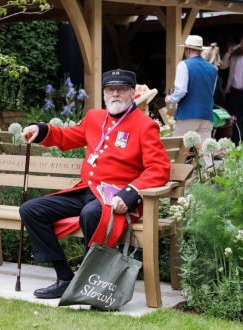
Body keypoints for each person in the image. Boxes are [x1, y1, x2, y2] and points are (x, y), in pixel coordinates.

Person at [19, 69, 171, 299]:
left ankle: (91, 282)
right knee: (30, 210)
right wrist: (41, 130)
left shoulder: (144, 125)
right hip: (87, 190)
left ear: (132, 93)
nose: (115, 94)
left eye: (121, 89)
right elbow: (67, 136)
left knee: (91, 213)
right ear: (104, 93)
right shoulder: (94, 118)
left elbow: (159, 169)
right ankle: (65, 278)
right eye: (110, 89)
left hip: (116, 198)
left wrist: (131, 193)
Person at [165, 35, 217, 146]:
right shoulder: (213, 69)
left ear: (187, 50)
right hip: (207, 115)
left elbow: (181, 91)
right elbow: (210, 93)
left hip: (188, 115)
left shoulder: (184, 65)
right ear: (200, 50)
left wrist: (170, 99)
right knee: (205, 153)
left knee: (177, 149)